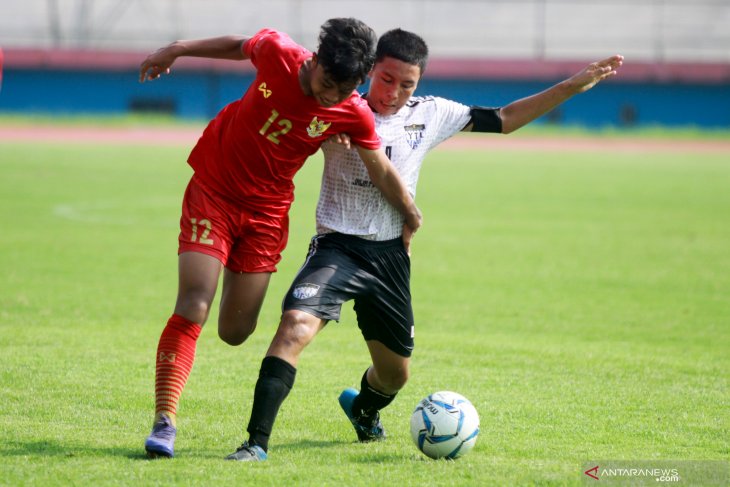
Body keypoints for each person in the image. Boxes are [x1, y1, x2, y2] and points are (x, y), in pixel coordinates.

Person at [225, 28, 623, 461]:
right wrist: (325, 129)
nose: (393, 92)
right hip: (336, 246)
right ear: (370, 71)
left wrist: (570, 85)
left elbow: (504, 119)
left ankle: (362, 410)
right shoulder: (337, 102)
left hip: (390, 257)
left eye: (406, 84)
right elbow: (293, 118)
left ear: (419, 83)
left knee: (395, 376)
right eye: (386, 79)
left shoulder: (430, 114)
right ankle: (255, 444)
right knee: (294, 327)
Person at [138, 18, 422, 459]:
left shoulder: (350, 108)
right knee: (195, 302)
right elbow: (238, 45)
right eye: (328, 83)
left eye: (344, 90)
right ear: (314, 59)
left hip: (267, 215)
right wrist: (177, 48)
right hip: (214, 189)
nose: (332, 96)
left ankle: (226, 267)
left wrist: (409, 213)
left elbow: (379, 168)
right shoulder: (278, 53)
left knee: (236, 331)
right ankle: (165, 420)